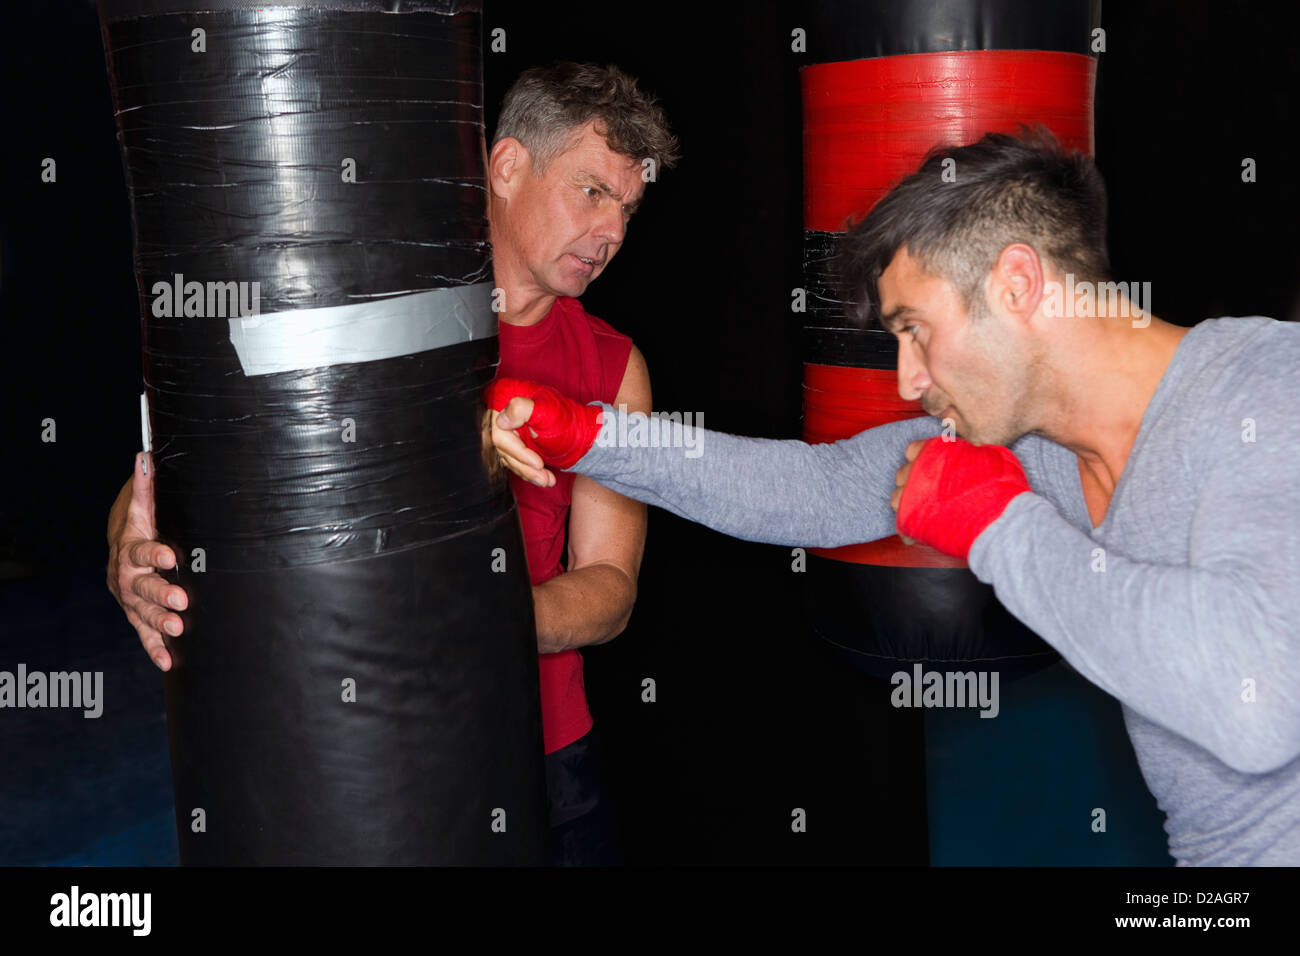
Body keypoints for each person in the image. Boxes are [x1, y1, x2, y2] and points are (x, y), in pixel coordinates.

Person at [488, 128, 1300, 866]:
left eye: (916, 329)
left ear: (1017, 285)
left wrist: (1001, 529)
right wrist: (593, 435)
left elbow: (1252, 703)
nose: (910, 381)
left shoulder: (1268, 390)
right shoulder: (1035, 447)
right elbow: (815, 485)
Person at [106, 61, 678, 866]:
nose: (613, 232)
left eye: (628, 207)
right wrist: (125, 551)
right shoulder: (386, 318)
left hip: (548, 753)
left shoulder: (614, 366)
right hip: (367, 752)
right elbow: (190, 474)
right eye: (592, 191)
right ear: (508, 166)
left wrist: (462, 624)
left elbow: (611, 590)